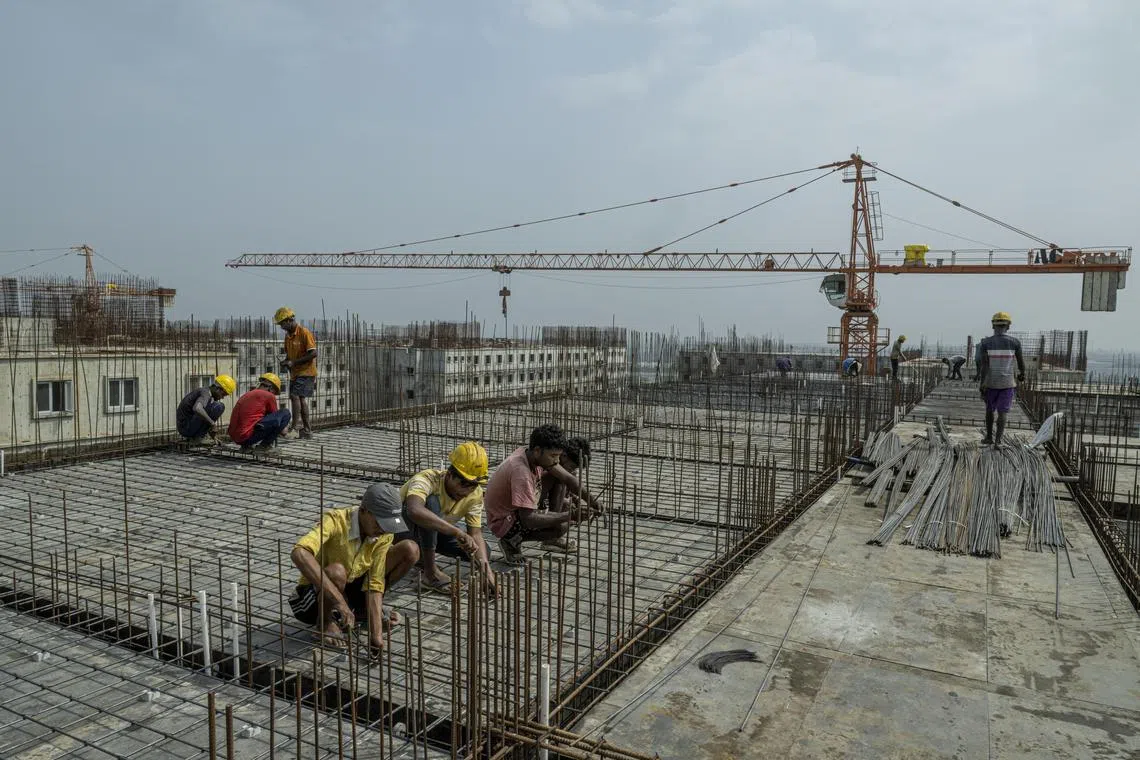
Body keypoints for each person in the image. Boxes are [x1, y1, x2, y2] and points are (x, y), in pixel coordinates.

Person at [289, 483, 419, 656]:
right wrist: (339, 603)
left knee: (410, 549)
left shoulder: (384, 533)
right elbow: (299, 553)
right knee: (337, 572)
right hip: (312, 599)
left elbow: (375, 582)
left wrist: (376, 634)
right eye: (379, 523)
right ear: (364, 510)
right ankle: (325, 623)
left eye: (387, 525)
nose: (382, 530)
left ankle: (362, 611)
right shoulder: (336, 521)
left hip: (350, 588)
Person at [394, 441, 495, 595]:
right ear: (449, 475)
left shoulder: (474, 494)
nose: (467, 490)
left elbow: (475, 533)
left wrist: (486, 571)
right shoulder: (427, 479)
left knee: (481, 551)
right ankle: (430, 573)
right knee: (431, 503)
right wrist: (457, 532)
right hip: (400, 531)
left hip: (435, 533)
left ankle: (422, 558)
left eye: (473, 485)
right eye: (463, 483)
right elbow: (414, 510)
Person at [486, 424, 594, 564]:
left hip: (516, 511)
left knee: (559, 485)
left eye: (559, 456)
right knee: (561, 526)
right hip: (503, 521)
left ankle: (549, 535)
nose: (557, 461)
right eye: (553, 456)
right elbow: (528, 519)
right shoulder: (521, 472)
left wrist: (592, 501)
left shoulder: (529, 453)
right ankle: (511, 541)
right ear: (537, 451)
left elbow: (568, 478)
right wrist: (570, 515)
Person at [538, 436, 605, 553]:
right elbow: (540, 498)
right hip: (528, 512)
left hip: (541, 510)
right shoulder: (550, 467)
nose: (572, 471)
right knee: (562, 483)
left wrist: (576, 499)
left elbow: (573, 486)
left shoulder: (564, 466)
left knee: (569, 510)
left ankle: (552, 532)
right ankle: (551, 537)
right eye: (572, 466)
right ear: (563, 456)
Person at [976, 311, 1026, 447]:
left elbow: (984, 366)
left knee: (989, 410)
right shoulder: (1015, 342)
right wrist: (1022, 374)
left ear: (993, 326)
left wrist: (982, 384)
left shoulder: (985, 343)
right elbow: (1021, 363)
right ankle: (998, 441)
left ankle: (989, 438)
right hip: (1007, 384)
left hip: (990, 383)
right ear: (1008, 326)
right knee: (1003, 413)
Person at [275, 307, 318, 440]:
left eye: (282, 323)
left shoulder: (304, 333)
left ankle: (294, 428)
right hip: (296, 373)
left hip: (306, 371)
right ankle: (307, 430)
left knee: (295, 396)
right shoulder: (288, 338)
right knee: (301, 399)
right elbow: (289, 356)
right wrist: (286, 362)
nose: (282, 327)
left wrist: (293, 363)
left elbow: (313, 353)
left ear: (289, 320)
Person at [228, 373, 292, 451]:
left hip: (236, 438)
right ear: (271, 388)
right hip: (247, 437)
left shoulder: (248, 394)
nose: (274, 395)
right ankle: (264, 446)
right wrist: (284, 430)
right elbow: (277, 421)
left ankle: (246, 447)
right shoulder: (269, 395)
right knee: (285, 413)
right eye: (274, 392)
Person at [176, 375, 236, 444]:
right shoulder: (205, 393)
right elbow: (197, 408)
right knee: (219, 406)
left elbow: (204, 418)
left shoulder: (207, 394)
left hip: (186, 427)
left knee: (214, 407)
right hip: (186, 428)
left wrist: (213, 437)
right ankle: (199, 437)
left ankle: (200, 436)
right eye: (223, 394)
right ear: (217, 389)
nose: (222, 397)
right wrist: (212, 424)